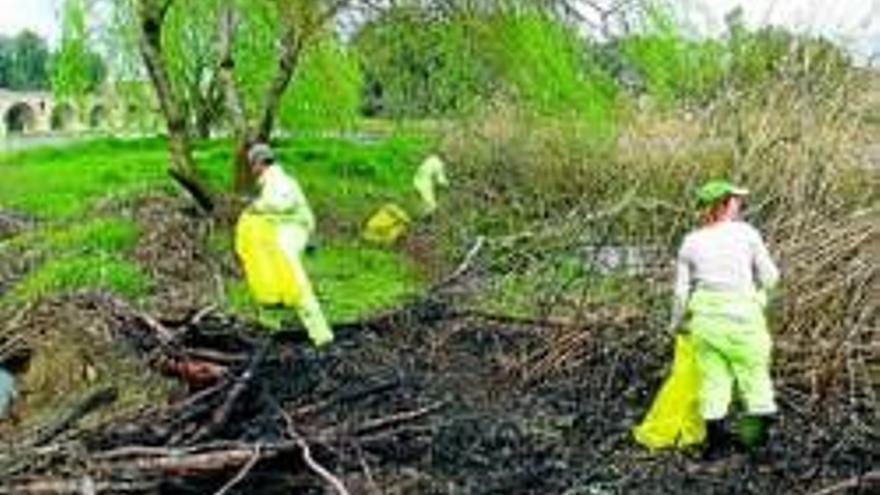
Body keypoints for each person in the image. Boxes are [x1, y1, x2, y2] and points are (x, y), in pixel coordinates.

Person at [670, 180, 780, 459]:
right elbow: (771, 277)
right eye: (735, 200)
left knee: (713, 382)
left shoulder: (690, 242)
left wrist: (675, 324)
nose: (739, 204)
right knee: (755, 379)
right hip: (744, 320)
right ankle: (755, 444)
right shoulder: (746, 233)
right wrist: (761, 296)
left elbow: (681, 293)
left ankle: (715, 448)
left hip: (706, 324)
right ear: (723, 204)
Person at [243, 143, 333, 347]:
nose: (251, 169)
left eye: (252, 164)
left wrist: (257, 206)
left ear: (259, 163)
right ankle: (270, 326)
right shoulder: (269, 181)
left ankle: (321, 334)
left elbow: (284, 204)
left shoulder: (278, 180)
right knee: (268, 273)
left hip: (294, 229)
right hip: (284, 229)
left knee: (292, 277)